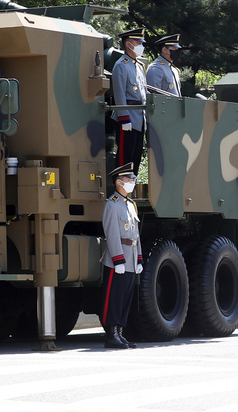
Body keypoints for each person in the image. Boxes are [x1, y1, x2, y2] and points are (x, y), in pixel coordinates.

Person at [101, 162, 143, 349]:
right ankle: (111, 335)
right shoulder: (112, 204)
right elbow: (112, 234)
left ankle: (120, 333)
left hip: (131, 258)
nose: (133, 181)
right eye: (129, 178)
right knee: (114, 298)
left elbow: (136, 235)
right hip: (117, 260)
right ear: (119, 182)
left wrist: (139, 259)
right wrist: (118, 259)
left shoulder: (131, 205)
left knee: (125, 298)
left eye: (133, 178)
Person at [112, 28, 148, 172]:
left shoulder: (139, 66)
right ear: (128, 44)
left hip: (139, 119)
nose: (141, 46)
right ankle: (121, 185)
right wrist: (124, 118)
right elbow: (119, 93)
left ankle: (131, 185)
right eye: (138, 42)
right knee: (125, 158)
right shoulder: (121, 65)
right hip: (128, 118)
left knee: (136, 158)